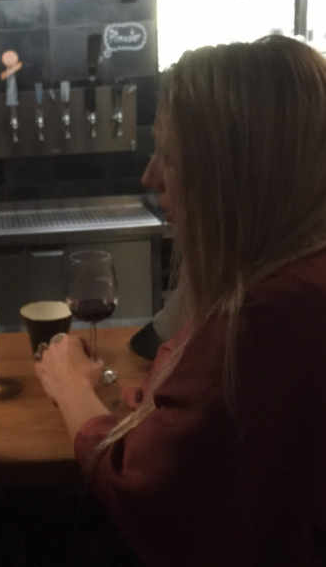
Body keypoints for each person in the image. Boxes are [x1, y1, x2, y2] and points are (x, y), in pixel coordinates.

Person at [35, 36, 326, 566]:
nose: (151, 177)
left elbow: (141, 488)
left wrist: (70, 385)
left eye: (168, 154)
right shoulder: (300, 280)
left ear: (232, 169)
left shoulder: (263, 318)